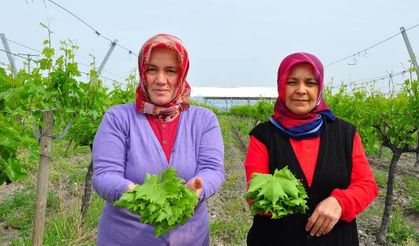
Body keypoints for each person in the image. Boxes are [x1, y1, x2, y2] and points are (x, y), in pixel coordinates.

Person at [92, 34, 225, 246]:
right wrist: (131, 192)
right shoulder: (118, 118)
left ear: (181, 74)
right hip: (125, 238)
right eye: (152, 69)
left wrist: (199, 187)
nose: (160, 80)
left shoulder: (203, 120)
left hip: (190, 238)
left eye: (170, 71)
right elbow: (104, 174)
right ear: (142, 72)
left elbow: (213, 169)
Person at [244, 52, 379, 245]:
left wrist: (340, 202)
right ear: (281, 85)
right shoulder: (263, 135)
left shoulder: (345, 133)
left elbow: (367, 185)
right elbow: (255, 196)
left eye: (310, 83)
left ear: (319, 88)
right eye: (292, 82)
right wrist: (281, 195)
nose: (301, 90)